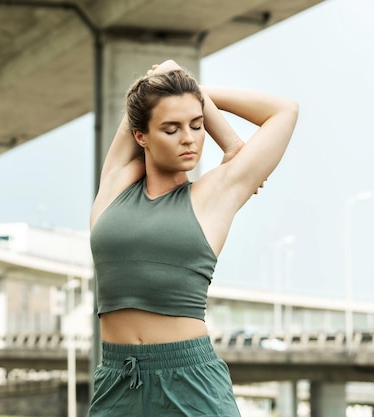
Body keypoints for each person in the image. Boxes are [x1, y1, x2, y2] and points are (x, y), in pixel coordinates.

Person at [87, 59, 299, 416]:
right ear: (141, 136)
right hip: (116, 381)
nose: (188, 138)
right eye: (170, 129)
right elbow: (146, 94)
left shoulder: (215, 195)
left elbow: (284, 111)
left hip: (190, 383)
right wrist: (170, 81)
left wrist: (198, 95)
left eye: (197, 125)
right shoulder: (116, 185)